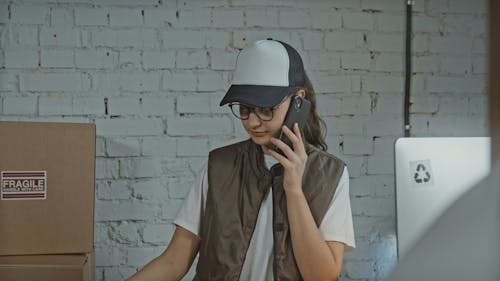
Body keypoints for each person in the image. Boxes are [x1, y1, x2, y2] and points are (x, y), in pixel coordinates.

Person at [127, 39, 355, 281]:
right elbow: (174, 261)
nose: (252, 122)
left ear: (298, 100)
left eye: (266, 109)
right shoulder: (219, 167)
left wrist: (294, 190)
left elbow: (322, 277)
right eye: (244, 109)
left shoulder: (330, 175)